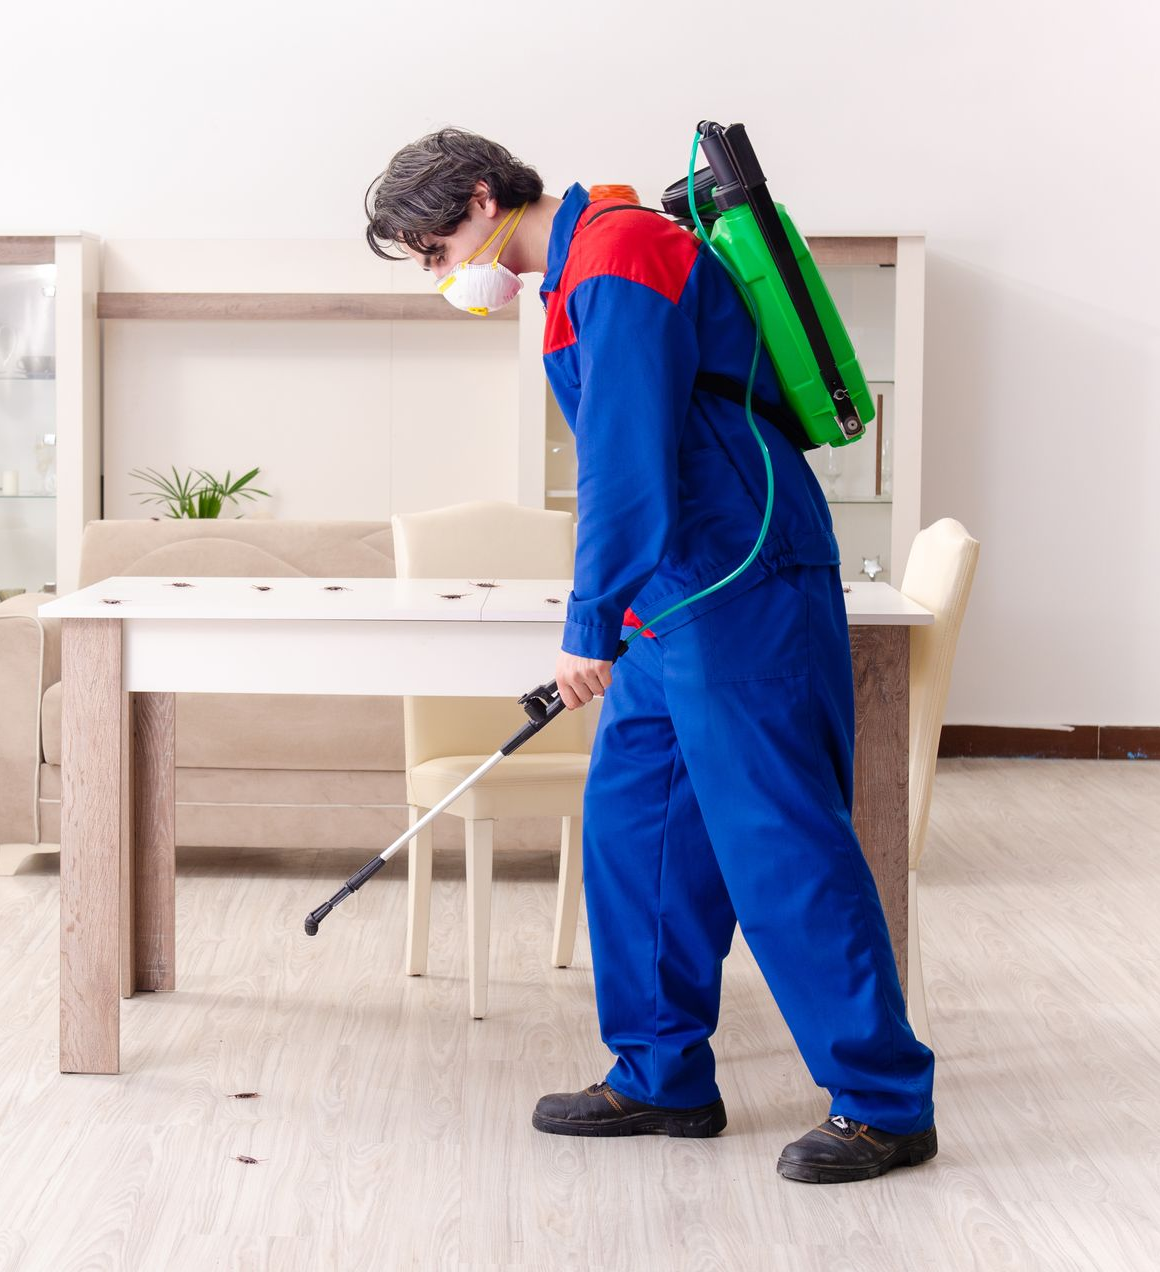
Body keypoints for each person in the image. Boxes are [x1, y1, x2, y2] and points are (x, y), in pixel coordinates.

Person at [364, 127, 936, 1184]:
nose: (443, 278)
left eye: (436, 254)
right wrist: (622, 615)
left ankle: (885, 1103)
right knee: (641, 831)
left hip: (740, 576)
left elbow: (626, 462)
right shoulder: (582, 266)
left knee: (780, 845)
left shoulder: (621, 252)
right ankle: (662, 1074)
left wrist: (587, 626)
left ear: (482, 200)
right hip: (676, 595)